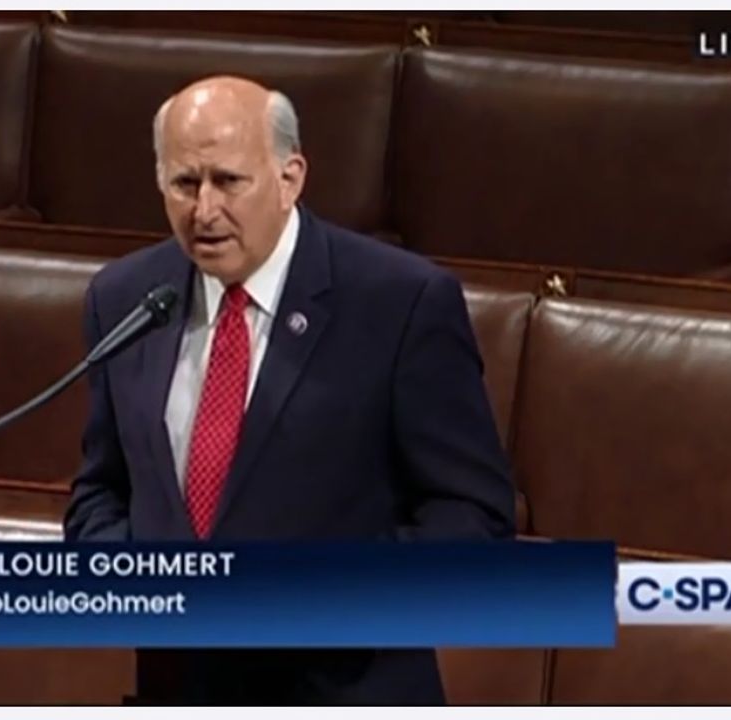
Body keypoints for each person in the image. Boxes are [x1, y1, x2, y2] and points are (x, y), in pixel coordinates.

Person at [65, 75, 515, 705]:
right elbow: (101, 492)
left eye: (228, 181)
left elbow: (474, 517)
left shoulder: (399, 303)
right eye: (184, 184)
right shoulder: (125, 299)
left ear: (290, 177)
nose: (204, 211)